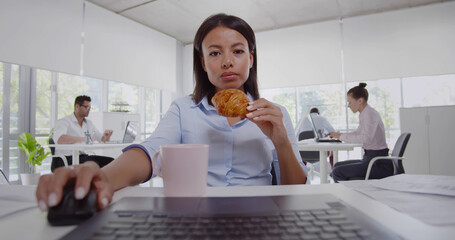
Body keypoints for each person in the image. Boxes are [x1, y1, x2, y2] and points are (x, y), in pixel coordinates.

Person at [36, 14, 308, 211]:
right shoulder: (183, 109)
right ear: (202, 63)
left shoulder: (276, 113)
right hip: (196, 214)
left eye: (237, 51)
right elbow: (150, 151)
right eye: (214, 53)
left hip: (261, 215)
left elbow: (295, 189)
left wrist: (281, 141)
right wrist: (104, 177)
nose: (226, 61)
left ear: (251, 57)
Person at [327, 83, 391, 182]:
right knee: (337, 166)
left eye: (350, 102)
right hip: (370, 159)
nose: (348, 106)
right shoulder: (365, 113)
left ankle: (347, 196)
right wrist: (339, 135)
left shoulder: (369, 114)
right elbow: (358, 133)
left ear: (360, 100)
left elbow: (366, 138)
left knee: (337, 172)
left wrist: (342, 137)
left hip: (378, 163)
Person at [51, 95, 114, 172]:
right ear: (77, 106)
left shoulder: (89, 124)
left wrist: (106, 136)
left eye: (90, 108)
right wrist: (84, 139)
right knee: (95, 165)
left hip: (82, 157)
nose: (89, 110)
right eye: (86, 107)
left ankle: (101, 183)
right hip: (66, 159)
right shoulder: (64, 121)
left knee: (111, 162)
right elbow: (60, 140)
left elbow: (102, 139)